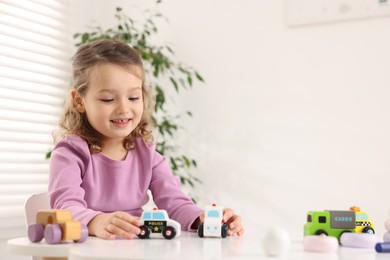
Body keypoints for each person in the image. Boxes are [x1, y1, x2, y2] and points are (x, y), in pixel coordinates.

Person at [48, 39, 244, 239]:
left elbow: (175, 203)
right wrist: (96, 221)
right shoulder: (70, 153)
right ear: (80, 101)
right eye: (108, 99)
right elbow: (65, 207)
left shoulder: (147, 154)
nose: (124, 108)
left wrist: (204, 220)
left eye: (133, 97)